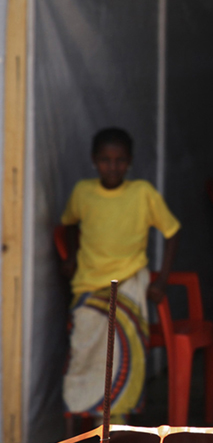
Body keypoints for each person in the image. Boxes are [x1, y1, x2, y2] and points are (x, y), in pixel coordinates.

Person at [60, 127, 180, 426]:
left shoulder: (143, 193)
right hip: (89, 287)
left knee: (121, 354)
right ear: (93, 160)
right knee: (82, 357)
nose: (112, 167)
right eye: (105, 160)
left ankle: (114, 433)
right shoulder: (83, 192)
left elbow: (172, 233)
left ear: (129, 162)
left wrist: (161, 281)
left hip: (128, 284)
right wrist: (72, 255)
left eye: (120, 160)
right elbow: (69, 224)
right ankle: (74, 439)